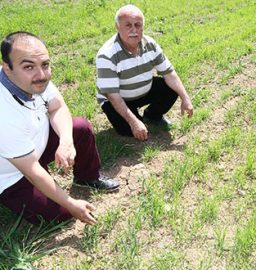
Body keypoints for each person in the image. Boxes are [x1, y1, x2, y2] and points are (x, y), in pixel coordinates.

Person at [0, 32, 120, 225]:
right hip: (13, 173)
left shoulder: (34, 80)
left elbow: (57, 107)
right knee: (62, 214)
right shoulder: (3, 113)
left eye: (45, 65)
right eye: (28, 66)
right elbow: (31, 170)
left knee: (79, 127)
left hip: (34, 144)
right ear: (7, 67)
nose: (41, 75)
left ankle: (87, 177)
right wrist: (71, 203)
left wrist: (65, 142)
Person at [96, 4, 193, 141]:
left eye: (138, 25)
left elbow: (169, 73)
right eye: (128, 25)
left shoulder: (150, 44)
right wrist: (133, 121)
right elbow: (112, 95)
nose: (134, 30)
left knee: (170, 88)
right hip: (117, 98)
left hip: (143, 90)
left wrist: (186, 98)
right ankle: (134, 117)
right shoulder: (107, 54)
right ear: (117, 27)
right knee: (128, 131)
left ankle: (152, 115)